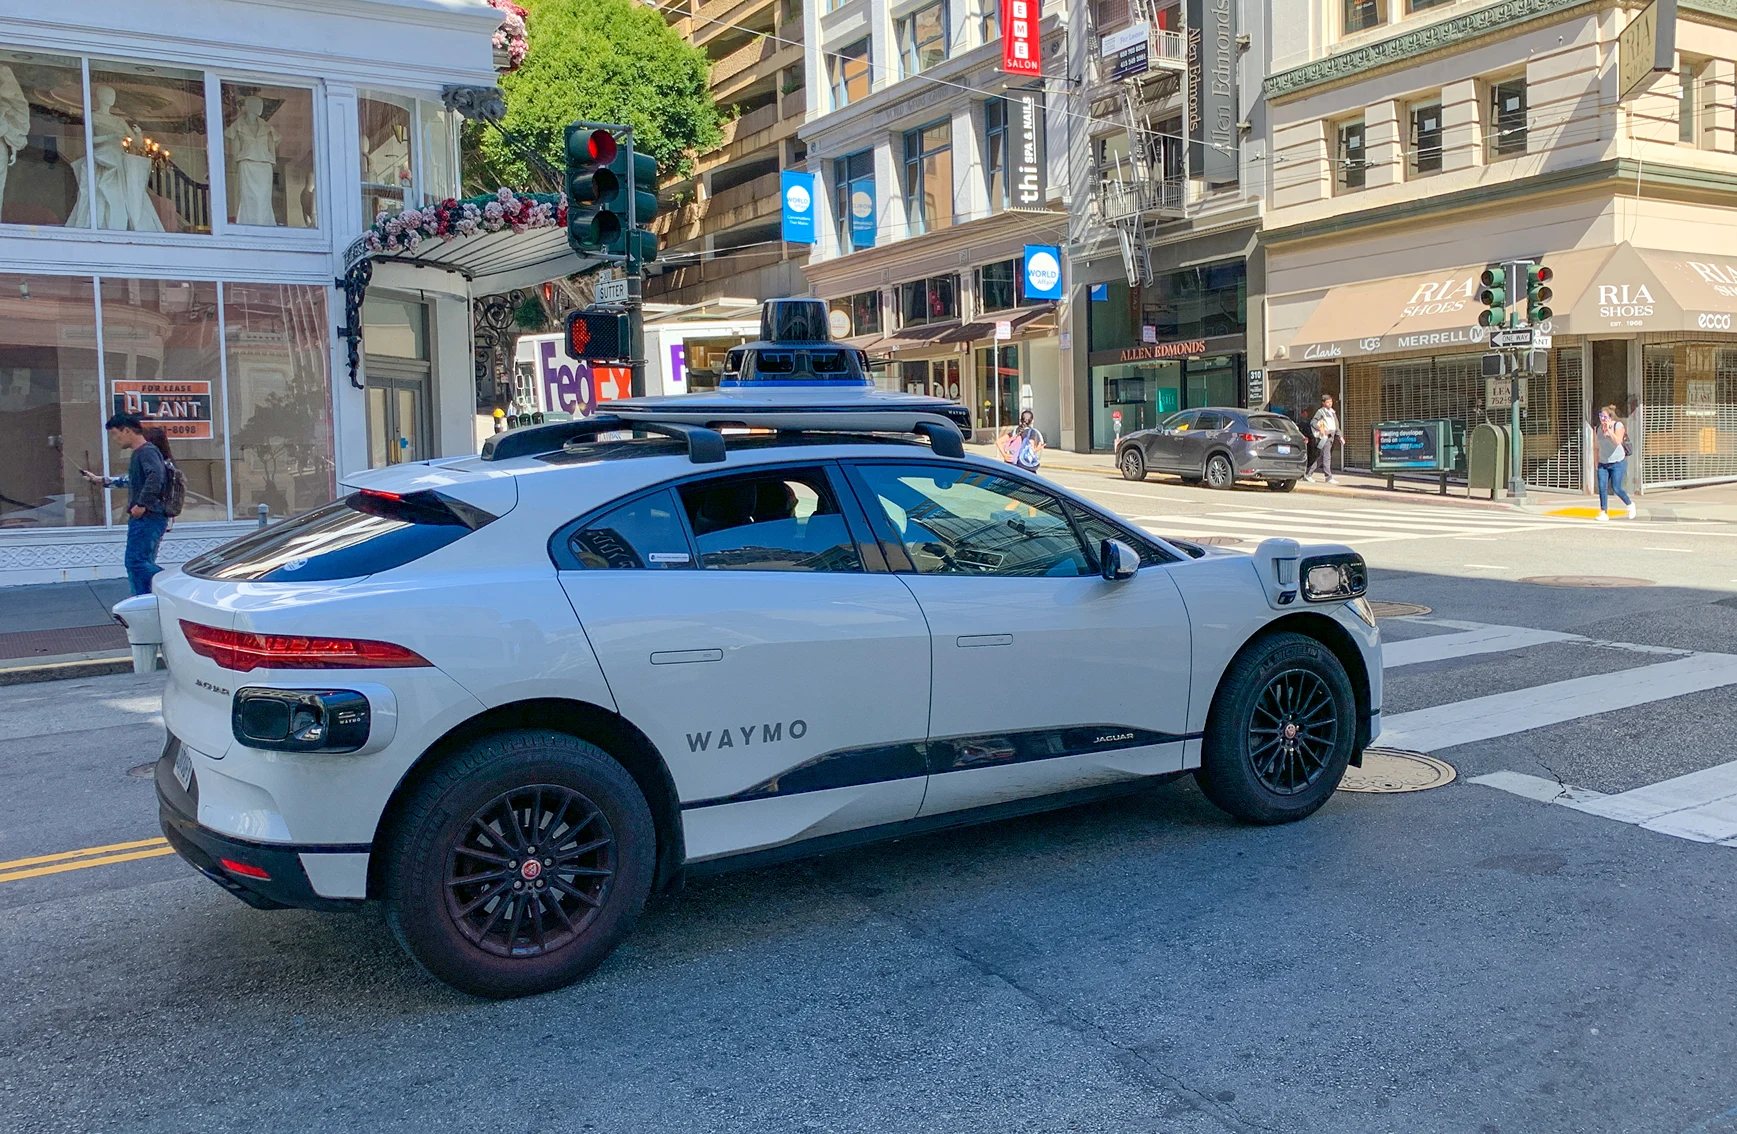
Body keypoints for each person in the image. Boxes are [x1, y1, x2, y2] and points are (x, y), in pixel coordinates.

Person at [80, 413, 170, 595]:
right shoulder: (143, 453)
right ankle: (143, 600)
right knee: (142, 563)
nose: (115, 439)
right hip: (148, 518)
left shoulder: (147, 451)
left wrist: (141, 505)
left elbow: (156, 477)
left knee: (135, 562)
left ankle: (174, 585)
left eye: (116, 434)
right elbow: (134, 480)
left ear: (127, 430)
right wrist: (101, 480)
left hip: (148, 518)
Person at [1594, 404, 1636, 521]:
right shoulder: (1597, 429)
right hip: (1603, 462)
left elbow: (1618, 441)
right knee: (1602, 487)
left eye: (1605, 417)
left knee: (1616, 488)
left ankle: (1630, 504)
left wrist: (1609, 431)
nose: (1602, 419)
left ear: (1610, 417)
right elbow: (1596, 447)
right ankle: (1603, 512)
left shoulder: (1618, 426)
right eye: (1601, 416)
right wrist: (1596, 461)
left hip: (1617, 462)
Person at [1306, 394, 1341, 483]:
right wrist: (1320, 428)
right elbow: (1313, 422)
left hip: (1331, 437)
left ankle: (1308, 473)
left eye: (1331, 402)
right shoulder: (1320, 412)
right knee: (1326, 456)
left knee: (1321, 457)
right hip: (1324, 437)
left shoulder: (1333, 413)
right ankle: (1328, 477)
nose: (1330, 404)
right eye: (1328, 402)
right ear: (1323, 403)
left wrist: (1340, 436)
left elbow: (1336, 426)